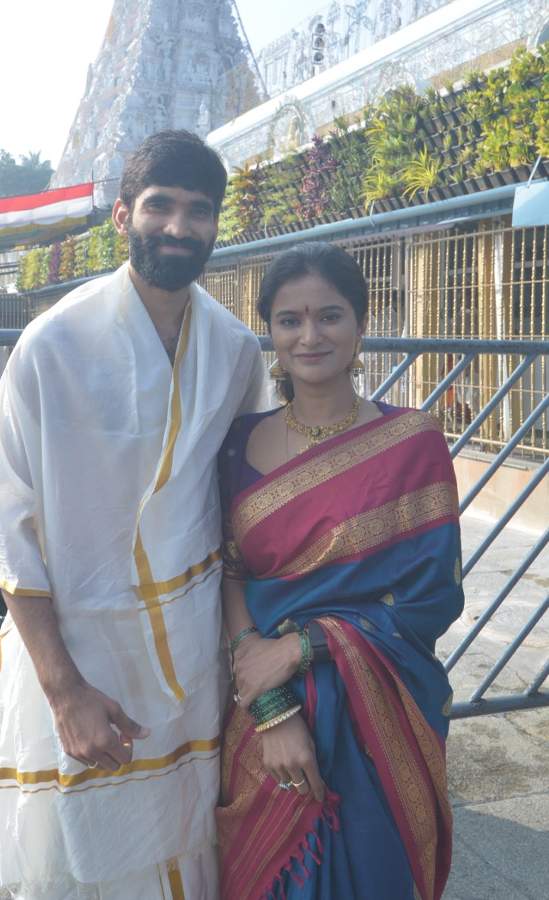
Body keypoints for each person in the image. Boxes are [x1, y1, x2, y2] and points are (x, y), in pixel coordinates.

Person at [0, 130, 267, 900]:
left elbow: (246, 506)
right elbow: (12, 534)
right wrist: (65, 692)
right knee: (78, 865)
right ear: (121, 216)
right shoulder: (52, 347)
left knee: (184, 847)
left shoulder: (236, 352)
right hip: (78, 657)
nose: (178, 227)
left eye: (198, 211)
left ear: (215, 224)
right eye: (160, 206)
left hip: (190, 658)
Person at [216, 242, 464, 900]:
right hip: (260, 710)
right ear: (269, 330)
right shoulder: (238, 442)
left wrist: (301, 646)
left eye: (329, 316)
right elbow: (230, 574)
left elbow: (431, 596)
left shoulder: (414, 441)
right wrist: (268, 697)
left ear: (360, 324)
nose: (309, 335)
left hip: (374, 711)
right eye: (289, 320)